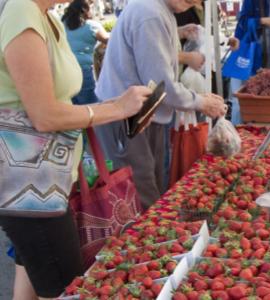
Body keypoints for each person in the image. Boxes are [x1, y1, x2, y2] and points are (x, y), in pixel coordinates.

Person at [0, 0, 152, 299]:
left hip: (44, 180)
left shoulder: (47, 16)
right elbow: (44, 115)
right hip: (29, 186)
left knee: (32, 271)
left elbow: (56, 102)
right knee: (64, 287)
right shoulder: (21, 11)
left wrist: (116, 106)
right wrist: (116, 108)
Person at [94, 0, 227, 209]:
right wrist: (200, 102)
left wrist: (178, 31)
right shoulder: (151, 14)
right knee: (141, 192)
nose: (195, 2)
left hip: (144, 113)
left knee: (151, 182)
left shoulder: (158, 9)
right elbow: (161, 84)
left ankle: (150, 234)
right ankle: (144, 239)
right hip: (129, 118)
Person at [62, 0, 109, 105]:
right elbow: (111, 40)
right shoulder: (91, 26)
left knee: (73, 107)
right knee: (91, 106)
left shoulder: (61, 23)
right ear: (84, 10)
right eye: (90, 8)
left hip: (64, 71)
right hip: (83, 71)